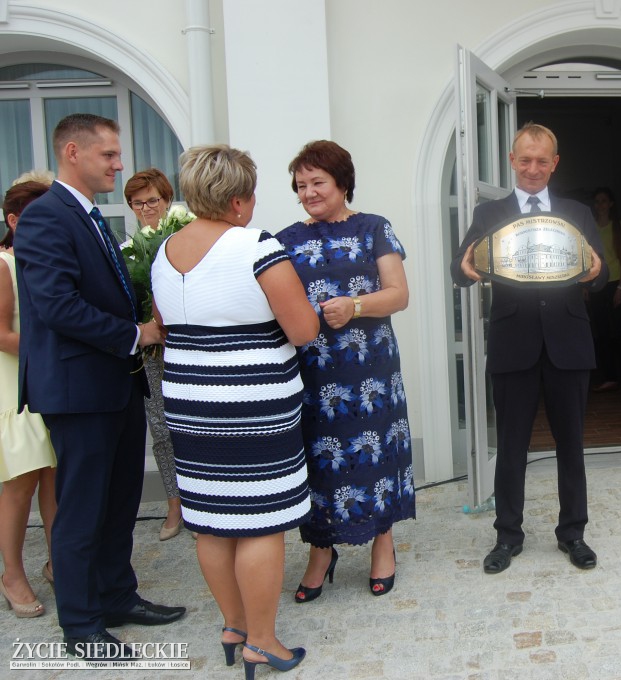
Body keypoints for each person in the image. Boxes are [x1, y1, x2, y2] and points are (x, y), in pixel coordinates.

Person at [15, 113, 184, 660]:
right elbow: (58, 306)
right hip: (78, 391)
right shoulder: (45, 217)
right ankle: (81, 622)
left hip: (115, 384)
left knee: (118, 504)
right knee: (81, 510)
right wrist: (135, 333)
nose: (119, 164)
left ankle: (116, 596)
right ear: (72, 152)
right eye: (108, 155)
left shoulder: (89, 215)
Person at [151, 144, 319, 675]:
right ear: (241, 200)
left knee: (211, 521)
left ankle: (234, 624)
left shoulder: (164, 251)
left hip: (188, 401)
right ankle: (263, 641)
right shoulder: (256, 246)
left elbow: (164, 324)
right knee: (262, 523)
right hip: (252, 404)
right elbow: (302, 330)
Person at [450, 122, 607, 574]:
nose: (533, 168)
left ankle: (573, 533)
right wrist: (466, 268)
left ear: (554, 163)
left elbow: (603, 274)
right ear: (512, 162)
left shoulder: (576, 213)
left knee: (571, 445)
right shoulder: (488, 215)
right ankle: (508, 536)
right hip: (512, 343)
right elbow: (459, 271)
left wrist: (597, 273)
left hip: (568, 344)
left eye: (543, 161)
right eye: (525, 160)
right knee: (512, 446)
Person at [276, 140, 415, 600]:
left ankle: (382, 541)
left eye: (318, 182)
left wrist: (355, 305)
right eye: (301, 185)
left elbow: (398, 293)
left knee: (375, 456)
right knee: (320, 459)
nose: (309, 192)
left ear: (342, 182)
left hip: (371, 370)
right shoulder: (285, 240)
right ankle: (322, 548)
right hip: (313, 373)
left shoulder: (374, 227)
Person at [0, 180, 57, 618]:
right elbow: (1, 334)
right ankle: (13, 574)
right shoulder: (3, 264)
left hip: (49, 382)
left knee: (55, 478)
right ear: (14, 221)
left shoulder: (45, 259)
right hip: (14, 385)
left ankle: (60, 562)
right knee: (20, 483)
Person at [123, 168, 183, 540]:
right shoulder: (129, 251)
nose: (146, 208)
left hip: (186, 347)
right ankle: (174, 504)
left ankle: (200, 501)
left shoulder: (182, 238)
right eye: (138, 202)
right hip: (150, 350)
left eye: (152, 200)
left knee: (194, 426)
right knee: (160, 428)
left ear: (167, 199)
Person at [588, 187, 621, 395]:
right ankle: (610, 377)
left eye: (604, 201)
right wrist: (585, 286)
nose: (600, 205)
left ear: (611, 204)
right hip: (596, 284)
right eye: (597, 201)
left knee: (620, 333)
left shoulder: (618, 225)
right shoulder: (590, 227)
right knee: (602, 332)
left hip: (615, 283)